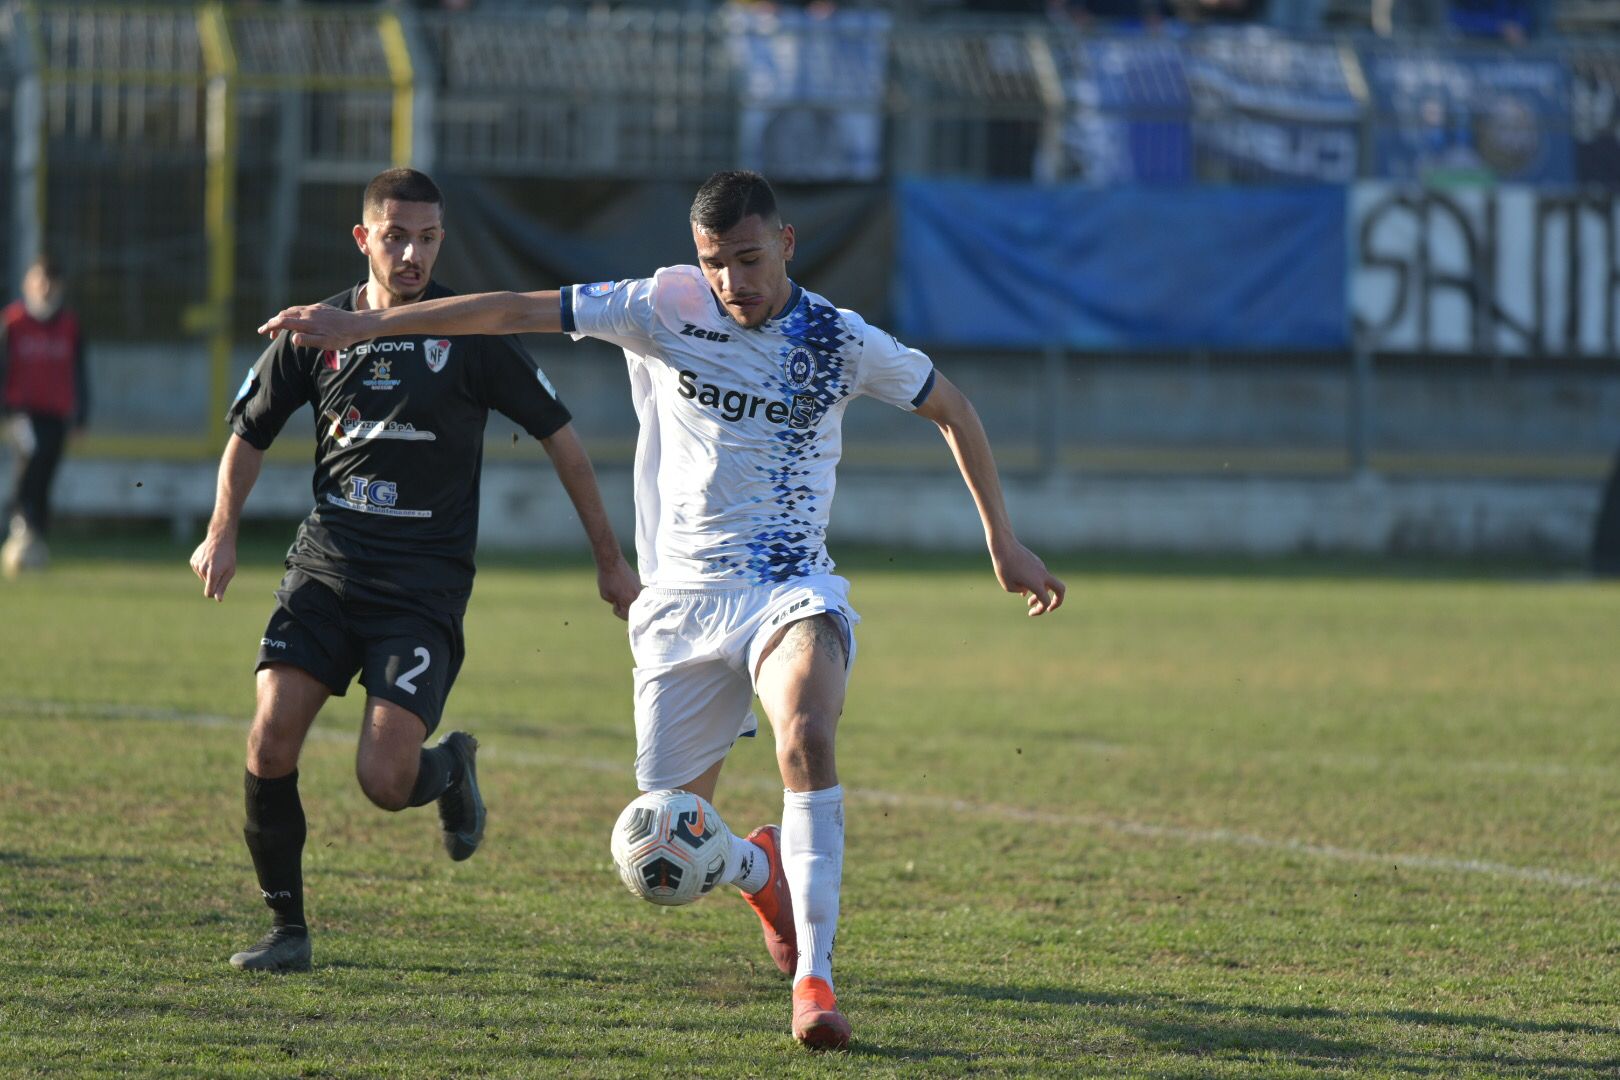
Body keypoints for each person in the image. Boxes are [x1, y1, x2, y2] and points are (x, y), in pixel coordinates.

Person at [259, 170, 1065, 1047]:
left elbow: (953, 408)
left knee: (806, 732)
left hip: (789, 586)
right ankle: (756, 867)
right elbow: (513, 311)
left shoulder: (839, 338)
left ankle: (816, 982)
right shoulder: (662, 305)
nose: (732, 281)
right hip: (680, 605)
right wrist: (364, 325)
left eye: (749, 259)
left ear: (786, 243)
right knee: (669, 846)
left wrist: (1004, 541)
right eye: (715, 263)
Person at [191, 167, 641, 973]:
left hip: (421, 589)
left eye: (428, 239)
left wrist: (611, 561)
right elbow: (247, 437)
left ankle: (448, 768)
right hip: (326, 570)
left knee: (384, 779)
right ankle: (287, 930)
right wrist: (222, 532)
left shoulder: (470, 332)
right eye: (396, 237)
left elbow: (562, 440)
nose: (412, 255)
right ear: (363, 238)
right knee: (270, 738)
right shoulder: (317, 331)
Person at [0, 256, 87, 577]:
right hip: (21, 410)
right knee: (31, 453)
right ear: (28, 284)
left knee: (48, 464)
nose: (45, 288)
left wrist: (81, 416)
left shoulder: (69, 326)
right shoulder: (13, 322)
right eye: (40, 281)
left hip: (56, 412)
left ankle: (35, 530)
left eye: (51, 282)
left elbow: (80, 372)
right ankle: (19, 518)